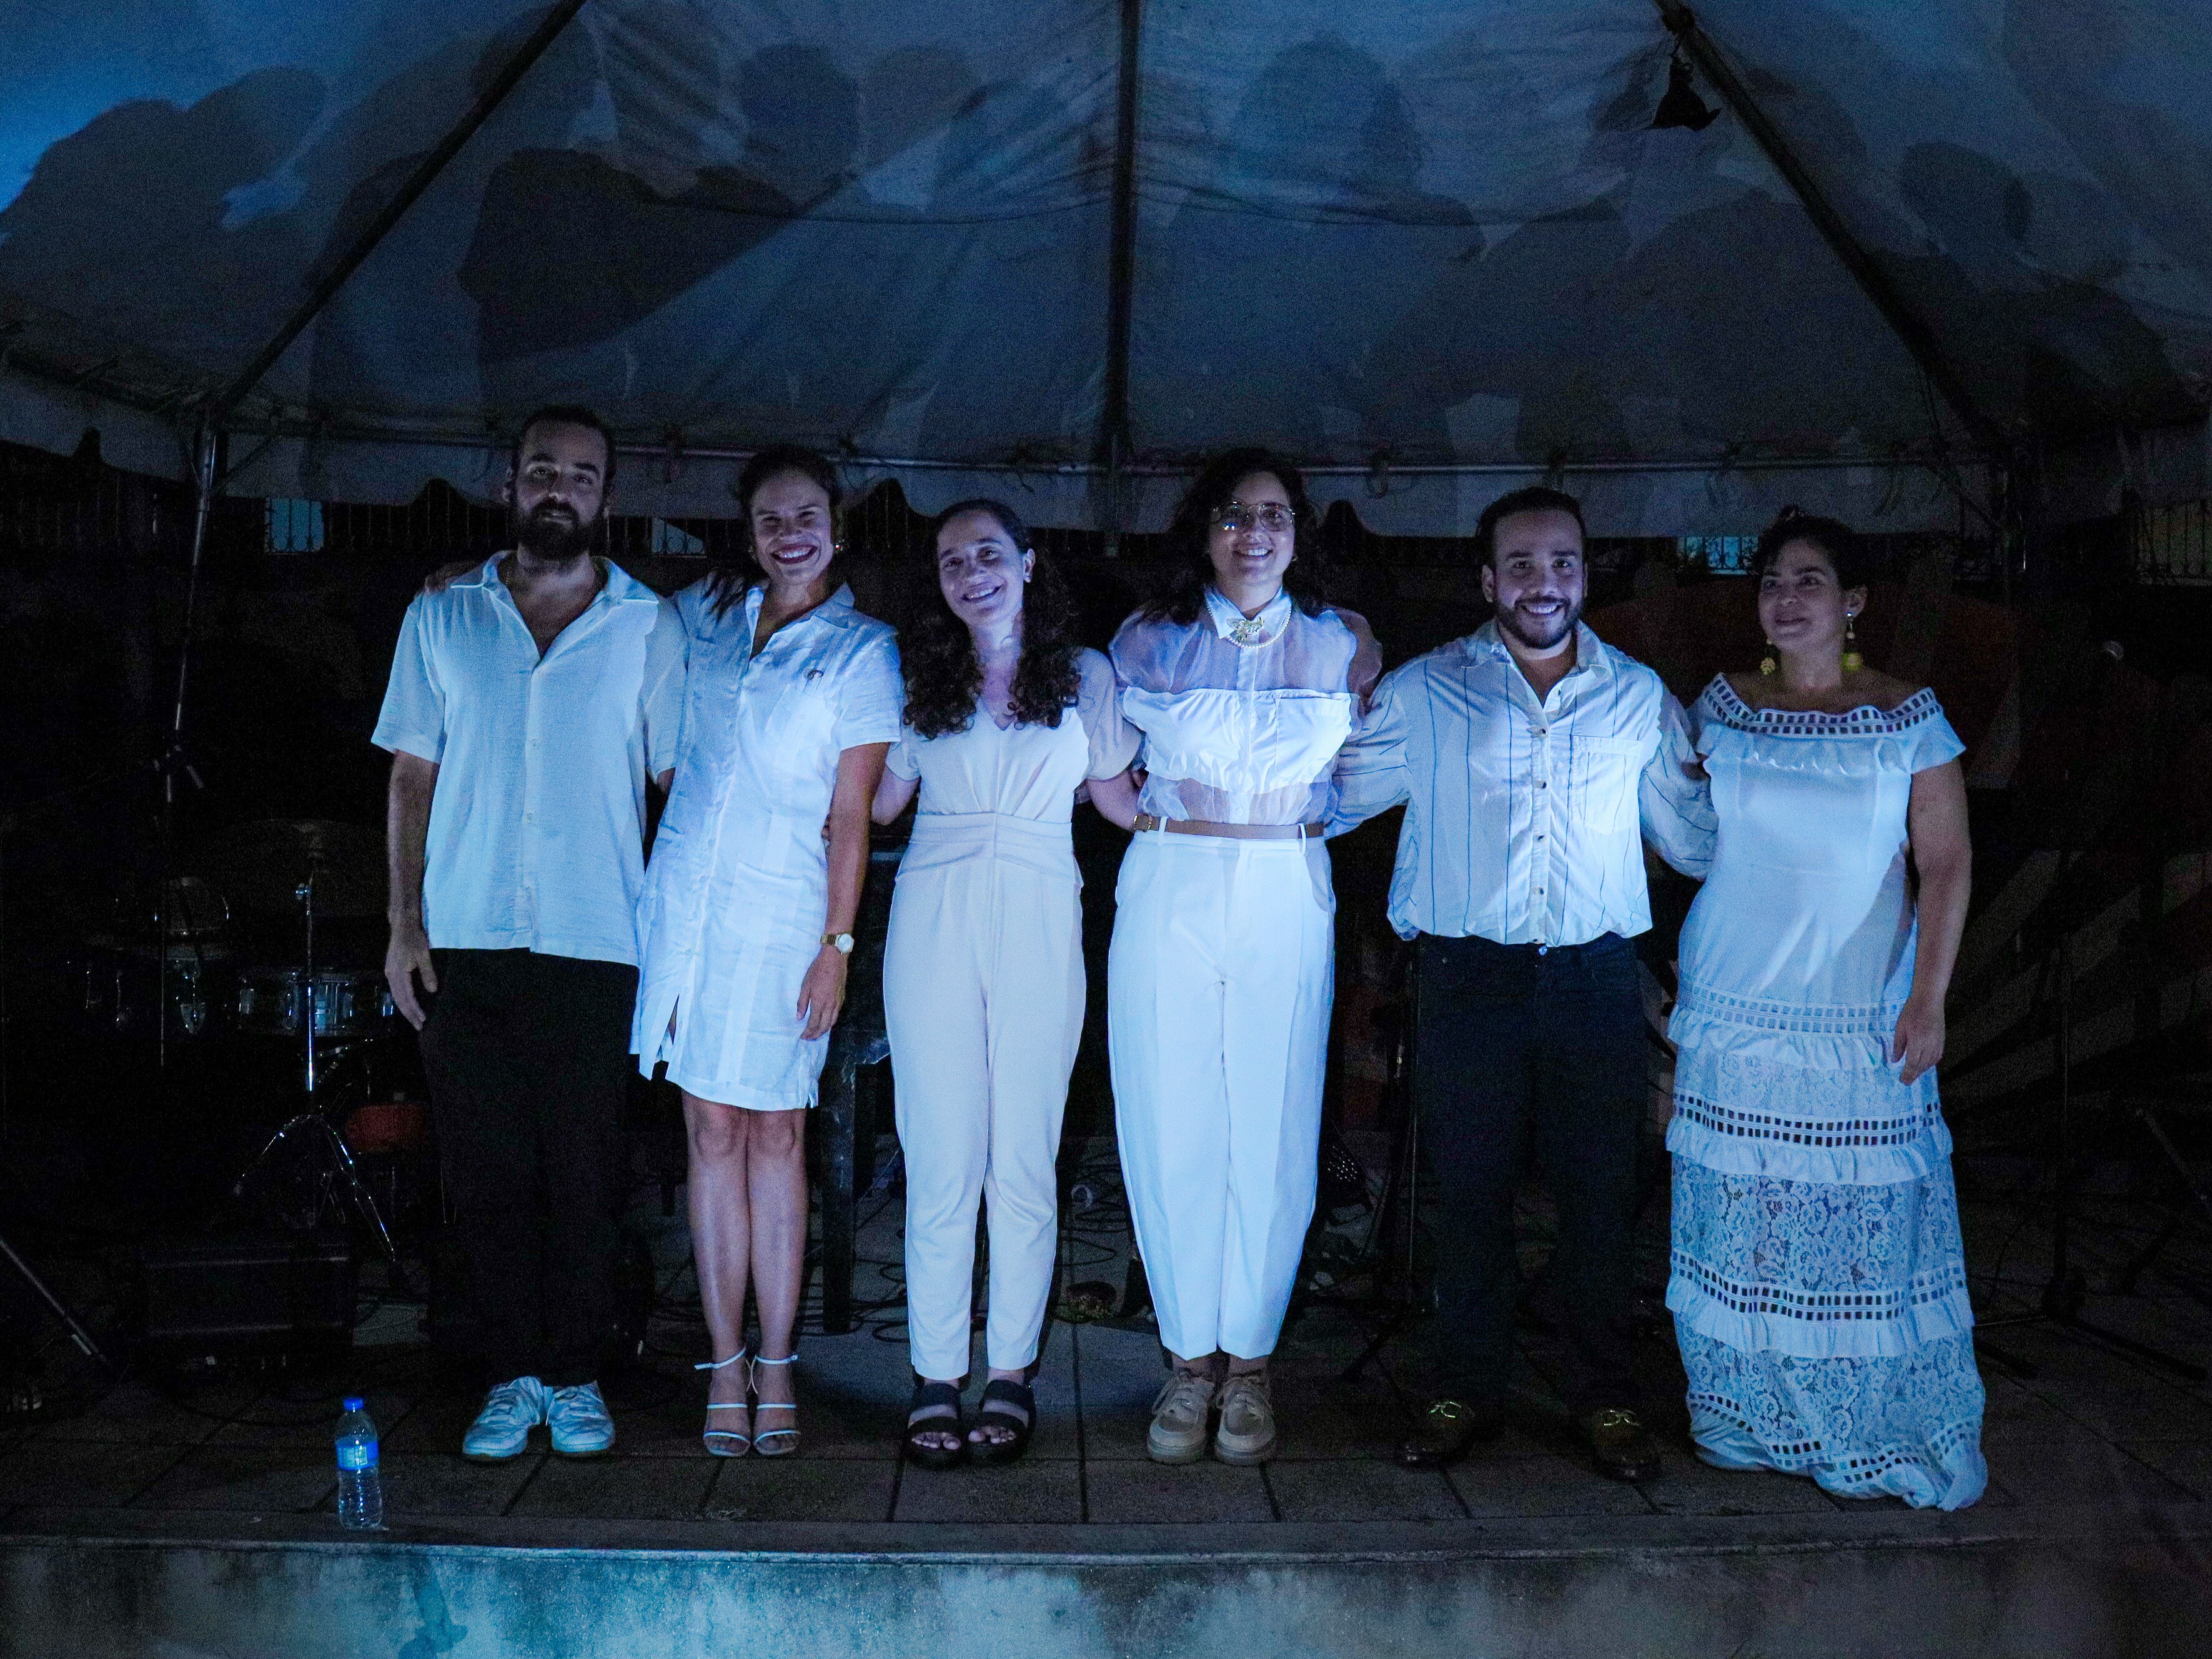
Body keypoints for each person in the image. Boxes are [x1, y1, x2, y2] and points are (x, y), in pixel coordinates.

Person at [1332, 485, 1714, 1483]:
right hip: (1468, 979)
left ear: (1585, 574)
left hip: (1593, 981)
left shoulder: (1637, 696)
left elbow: (1693, 836)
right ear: (1486, 577)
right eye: (1521, 564)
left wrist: (1794, 798)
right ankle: (1462, 1388)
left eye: (1562, 563)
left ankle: (1604, 1397)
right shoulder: (1422, 692)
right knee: (1468, 1196)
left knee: (1599, 1195)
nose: (1542, 582)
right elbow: (1324, 798)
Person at [376, 405, 685, 1460]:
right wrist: (402, 922)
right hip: (462, 935)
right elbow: (410, 773)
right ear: (507, 485)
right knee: (487, 1171)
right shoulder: (444, 614)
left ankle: (576, 1372)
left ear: (608, 497)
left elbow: (676, 783)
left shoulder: (651, 623)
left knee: (586, 1171)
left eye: (583, 475)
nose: (561, 487)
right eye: (543, 470)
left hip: (598, 939)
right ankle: (511, 1374)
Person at [1666, 510, 1984, 1507]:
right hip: (1734, 992)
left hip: (1852, 1007)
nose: (1785, 597)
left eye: (1809, 580)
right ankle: (1741, 1409)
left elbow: (1945, 864)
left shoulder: (1905, 715)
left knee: (1855, 1212)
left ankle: (1852, 1412)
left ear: (1850, 602)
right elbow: (1675, 821)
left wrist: (1927, 998)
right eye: (1771, 581)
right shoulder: (1721, 706)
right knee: (1742, 1209)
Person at [1107, 449, 1381, 1467]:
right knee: (1170, 1109)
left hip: (1284, 885)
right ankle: (1187, 1358)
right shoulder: (1150, 638)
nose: (1252, 533)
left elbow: (1364, 770)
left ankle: (1252, 1361)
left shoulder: (1341, 643)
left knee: (1270, 1120)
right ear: (1202, 530)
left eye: (1271, 514)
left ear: (1298, 531)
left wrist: (1295, 833)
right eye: (1231, 515)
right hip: (1171, 877)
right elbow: (1105, 768)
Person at [633, 446, 901, 1458]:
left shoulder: (863, 649)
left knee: (776, 1136)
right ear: (746, 534)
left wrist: (835, 946)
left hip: (787, 917)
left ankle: (778, 1358)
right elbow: (614, 612)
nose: (788, 534)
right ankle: (721, 1359)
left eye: (805, 515)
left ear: (836, 525)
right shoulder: (701, 617)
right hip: (687, 914)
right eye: (768, 520)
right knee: (708, 1134)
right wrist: (463, 573)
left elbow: (852, 820)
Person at [873, 500, 1139, 1468]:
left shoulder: (1086, 675)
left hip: (1037, 903)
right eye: (951, 560)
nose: (971, 571)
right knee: (941, 1154)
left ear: (1028, 564)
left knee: (1023, 1156)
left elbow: (1119, 801)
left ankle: (1011, 1370)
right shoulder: (916, 677)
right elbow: (878, 799)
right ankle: (936, 1372)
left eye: (989, 553)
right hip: (932, 906)